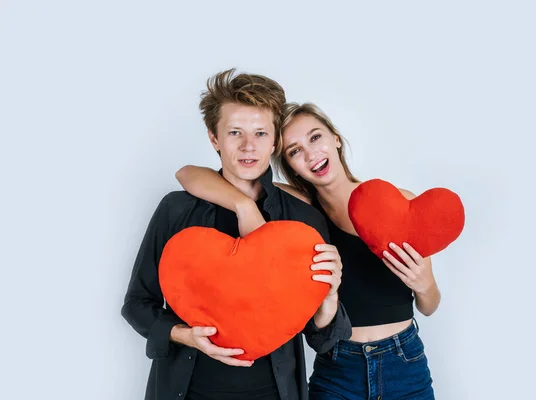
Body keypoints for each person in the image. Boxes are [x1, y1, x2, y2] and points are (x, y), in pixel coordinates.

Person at [176, 102, 441, 399]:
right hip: (337, 367)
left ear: (335, 138)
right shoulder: (300, 209)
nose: (310, 154)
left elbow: (429, 306)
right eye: (294, 151)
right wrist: (245, 206)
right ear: (289, 164)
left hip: (404, 362)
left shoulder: (398, 202)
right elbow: (187, 174)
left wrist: (426, 284)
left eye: (315, 137)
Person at [121, 70, 351, 400]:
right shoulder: (175, 210)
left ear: (275, 142)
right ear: (214, 138)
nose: (248, 146)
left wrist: (329, 296)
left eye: (260, 133)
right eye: (234, 132)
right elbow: (137, 304)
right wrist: (186, 336)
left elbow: (324, 340)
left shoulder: (302, 219)